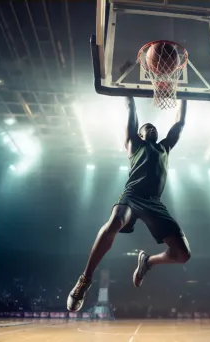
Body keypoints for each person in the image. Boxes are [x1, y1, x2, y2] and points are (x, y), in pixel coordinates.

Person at [67, 97, 191, 312]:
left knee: (183, 255)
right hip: (132, 196)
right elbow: (130, 109)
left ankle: (148, 262)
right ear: (139, 135)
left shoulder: (165, 148)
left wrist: (184, 96)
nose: (150, 127)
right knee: (115, 221)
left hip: (154, 202)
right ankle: (85, 280)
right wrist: (128, 93)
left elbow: (179, 124)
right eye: (145, 127)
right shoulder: (133, 144)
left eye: (153, 127)